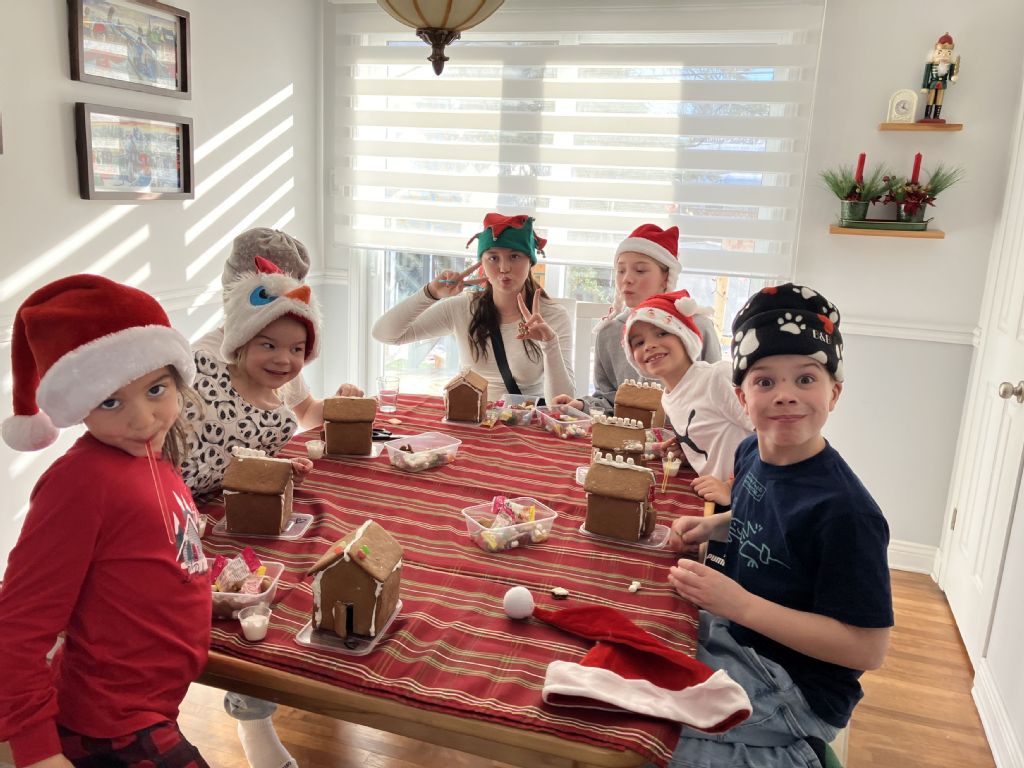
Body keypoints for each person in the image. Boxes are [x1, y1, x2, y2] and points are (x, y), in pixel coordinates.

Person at [662, 284, 893, 768]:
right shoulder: (751, 452)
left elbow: (868, 648)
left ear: (834, 392)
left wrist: (740, 604)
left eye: (805, 379)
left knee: (650, 743)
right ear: (742, 398)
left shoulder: (846, 512)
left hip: (797, 688)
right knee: (634, 660)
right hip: (737, 638)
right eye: (765, 382)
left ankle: (795, 756)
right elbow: (765, 519)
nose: (785, 396)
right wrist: (713, 526)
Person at [0, 275, 210, 767]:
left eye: (156, 389)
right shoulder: (80, 483)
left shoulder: (152, 456)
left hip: (153, 706)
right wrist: (36, 752)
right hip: (111, 725)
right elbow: (17, 627)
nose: (143, 420)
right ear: (79, 409)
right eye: (110, 402)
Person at [183, 256, 334, 768]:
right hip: (167, 508)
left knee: (260, 593)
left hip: (222, 510)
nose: (283, 359)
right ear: (241, 342)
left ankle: (252, 716)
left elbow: (244, 457)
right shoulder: (202, 376)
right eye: (268, 345)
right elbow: (165, 441)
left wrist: (277, 467)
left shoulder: (278, 415)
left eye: (296, 350)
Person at [371, 213, 574, 402]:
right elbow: (385, 335)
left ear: (530, 261)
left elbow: (563, 402)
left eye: (514, 256)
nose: (504, 268)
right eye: (493, 258)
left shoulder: (552, 316)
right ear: (482, 263)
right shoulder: (462, 308)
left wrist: (549, 343)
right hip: (471, 417)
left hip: (524, 420)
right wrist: (430, 293)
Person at [191, 227, 363, 439]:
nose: (283, 357)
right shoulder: (200, 364)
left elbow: (306, 412)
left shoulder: (281, 352)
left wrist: (337, 405)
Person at [555, 224, 720, 415]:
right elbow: (608, 400)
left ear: (666, 277)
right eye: (620, 270)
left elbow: (719, 396)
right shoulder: (609, 332)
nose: (627, 279)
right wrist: (582, 406)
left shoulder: (698, 327)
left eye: (640, 270)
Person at [622, 289, 752, 487]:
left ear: (684, 336)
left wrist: (731, 486)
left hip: (748, 493)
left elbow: (770, 434)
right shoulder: (667, 398)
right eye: (639, 343)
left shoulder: (716, 378)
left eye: (662, 332)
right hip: (713, 493)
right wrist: (688, 451)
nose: (649, 345)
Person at [921, 33, 960, 122]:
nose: (944, 55)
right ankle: (927, 116)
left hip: (943, 83)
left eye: (948, 53)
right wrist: (924, 87)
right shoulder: (931, 64)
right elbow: (926, 75)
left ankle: (936, 116)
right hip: (933, 83)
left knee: (939, 99)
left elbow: (951, 75)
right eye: (940, 52)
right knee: (930, 99)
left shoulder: (950, 65)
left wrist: (953, 78)